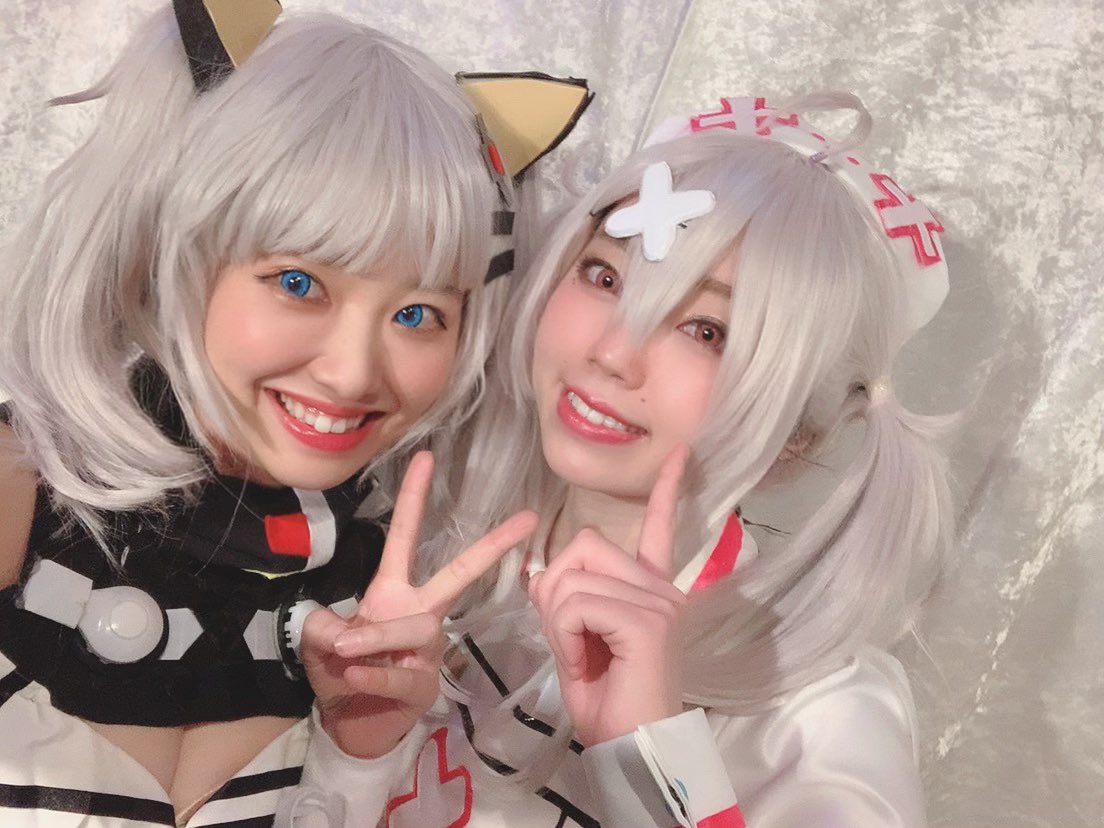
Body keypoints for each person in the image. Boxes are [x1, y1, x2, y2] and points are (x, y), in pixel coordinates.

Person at [287, 92, 955, 827]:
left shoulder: (820, 718)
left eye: (708, 331)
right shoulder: (412, 530)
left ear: (799, 433)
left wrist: (657, 763)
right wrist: (357, 753)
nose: (612, 352)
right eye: (606, 277)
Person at [0, 3, 554, 824]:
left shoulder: (387, 603)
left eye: (417, 314)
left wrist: (361, 754)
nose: (353, 372)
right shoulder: (21, 479)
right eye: (299, 283)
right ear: (178, 251)